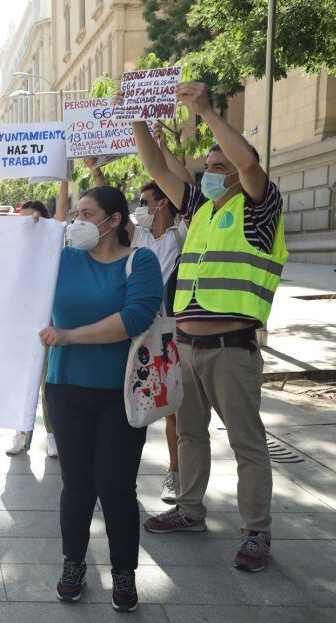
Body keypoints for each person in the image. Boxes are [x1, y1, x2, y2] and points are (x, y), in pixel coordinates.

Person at [132, 82, 288, 573]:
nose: (212, 173)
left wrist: (205, 112)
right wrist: (136, 118)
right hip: (188, 346)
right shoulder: (199, 210)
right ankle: (191, 510)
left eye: (220, 166)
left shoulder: (260, 206)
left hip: (232, 349)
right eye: (210, 167)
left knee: (246, 443)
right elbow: (157, 168)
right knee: (191, 436)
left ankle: (256, 532)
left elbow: (247, 162)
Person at [40, 187, 164, 611]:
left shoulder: (140, 261)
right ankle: (72, 563)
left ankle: (124, 572)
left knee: (115, 488)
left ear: (114, 221)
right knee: (76, 486)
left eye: (87, 214)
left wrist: (70, 336)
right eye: (75, 213)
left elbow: (134, 319)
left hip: (121, 395)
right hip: (66, 389)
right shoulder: (62, 260)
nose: (77, 222)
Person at [88, 141, 188, 504]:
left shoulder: (183, 236)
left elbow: (183, 182)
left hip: (171, 330)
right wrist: (96, 170)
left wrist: (162, 146)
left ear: (162, 203)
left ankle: (175, 474)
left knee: (173, 406)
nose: (139, 210)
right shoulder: (141, 236)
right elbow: (114, 212)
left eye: (144, 202)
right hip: (138, 329)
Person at [0, 179, 70, 458]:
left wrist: (63, 176)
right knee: (21, 381)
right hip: (19, 325)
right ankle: (20, 432)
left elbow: (61, 210)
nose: (24, 225)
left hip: (49, 324)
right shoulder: (13, 248)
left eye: (30, 219)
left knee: (48, 383)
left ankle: (52, 435)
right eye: (20, 220)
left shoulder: (52, 245)